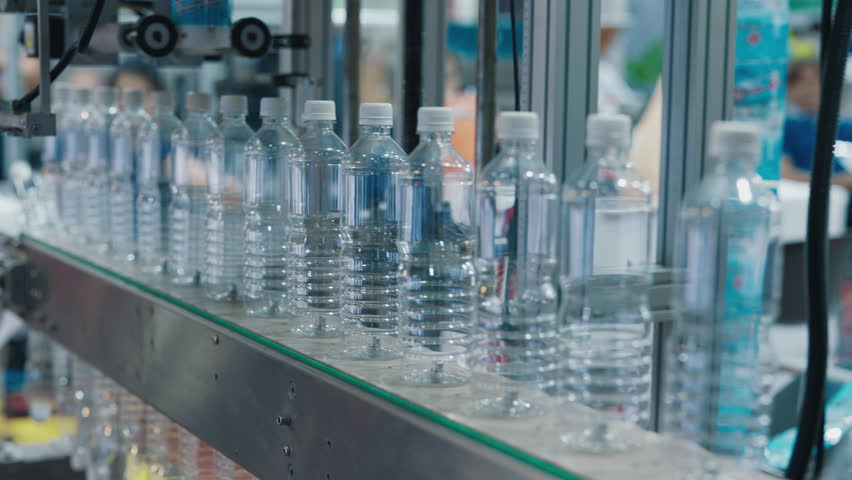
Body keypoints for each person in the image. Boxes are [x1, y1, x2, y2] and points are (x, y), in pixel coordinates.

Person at [781, 60, 852, 187]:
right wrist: (840, 182)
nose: (812, 89)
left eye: (817, 82)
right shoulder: (785, 126)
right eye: (805, 83)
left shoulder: (839, 125)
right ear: (789, 88)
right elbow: (786, 173)